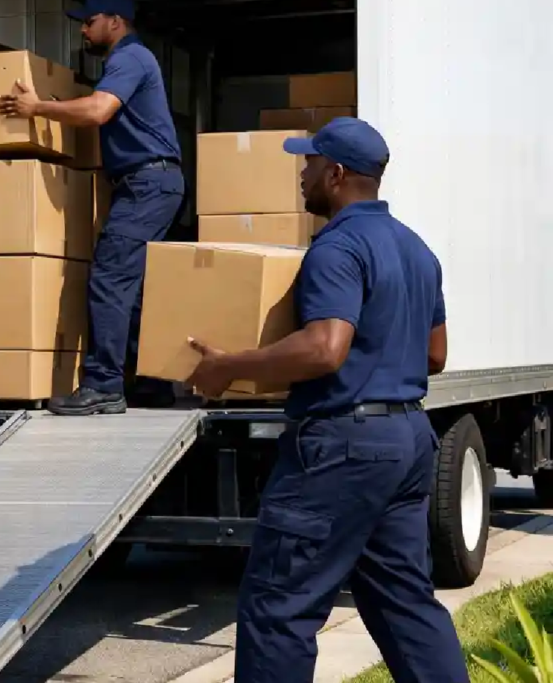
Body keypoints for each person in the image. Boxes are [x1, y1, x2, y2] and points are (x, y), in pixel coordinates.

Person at [186, 117, 469, 682]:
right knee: (405, 602)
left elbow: (324, 347)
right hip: (407, 440)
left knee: (279, 608)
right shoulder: (417, 250)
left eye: (310, 162)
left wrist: (227, 366)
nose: (302, 173)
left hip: (342, 447)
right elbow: (435, 355)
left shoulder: (336, 247)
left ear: (336, 174)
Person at [0, 0, 184, 415]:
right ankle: (150, 383)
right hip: (153, 182)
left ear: (115, 21)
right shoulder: (129, 60)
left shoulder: (130, 57)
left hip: (147, 183)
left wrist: (37, 108)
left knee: (111, 277)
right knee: (131, 285)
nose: (83, 29)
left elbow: (99, 110)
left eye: (90, 21)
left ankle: (104, 386)